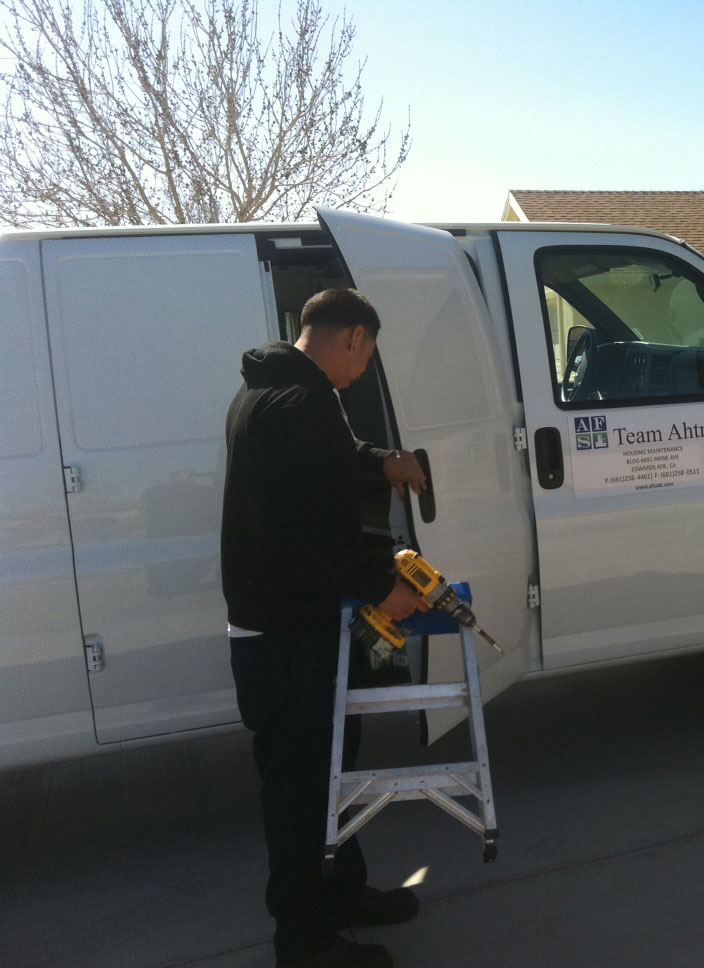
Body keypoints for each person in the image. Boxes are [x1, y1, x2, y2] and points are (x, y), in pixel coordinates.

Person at [221, 288, 429, 968]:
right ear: (355, 338)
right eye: (366, 356)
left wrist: (380, 461)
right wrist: (383, 588)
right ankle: (304, 944)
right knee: (300, 788)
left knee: (332, 766)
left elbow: (325, 461)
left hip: (293, 623)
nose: (362, 370)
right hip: (284, 634)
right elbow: (294, 537)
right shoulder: (299, 405)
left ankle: (343, 892)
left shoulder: (280, 391)